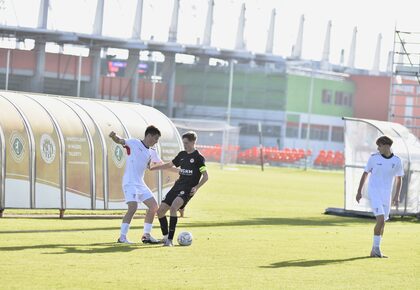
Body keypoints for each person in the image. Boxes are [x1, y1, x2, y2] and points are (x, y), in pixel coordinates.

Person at [150, 131, 209, 247]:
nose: (184, 145)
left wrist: (196, 187)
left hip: (187, 190)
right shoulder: (182, 155)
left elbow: (206, 176)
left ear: (193, 142)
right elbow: (168, 165)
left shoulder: (198, 158)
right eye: (183, 143)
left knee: (173, 208)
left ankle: (170, 241)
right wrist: (153, 168)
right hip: (177, 186)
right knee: (160, 211)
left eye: (186, 143)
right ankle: (166, 236)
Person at [109, 125, 162, 244]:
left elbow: (154, 165)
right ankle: (122, 237)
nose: (156, 142)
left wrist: (176, 169)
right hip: (129, 182)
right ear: (149, 136)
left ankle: (146, 235)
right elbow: (120, 140)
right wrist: (114, 136)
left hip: (140, 183)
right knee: (133, 207)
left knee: (154, 207)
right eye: (155, 139)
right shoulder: (133, 142)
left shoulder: (152, 151)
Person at [356, 136, 404, 258]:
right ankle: (375, 250)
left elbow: (399, 179)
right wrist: (359, 191)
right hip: (374, 192)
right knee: (380, 220)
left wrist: (396, 195)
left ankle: (376, 250)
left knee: (383, 223)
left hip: (386, 194)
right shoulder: (373, 158)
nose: (378, 148)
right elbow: (365, 173)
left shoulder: (397, 161)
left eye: (379, 146)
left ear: (386, 145)